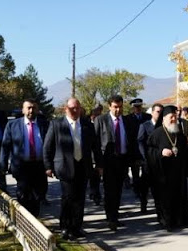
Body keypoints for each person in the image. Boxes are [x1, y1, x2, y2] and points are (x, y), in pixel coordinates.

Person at [43, 98, 97, 240]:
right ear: (65, 109)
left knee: (80, 198)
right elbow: (48, 147)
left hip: (83, 166)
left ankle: (77, 227)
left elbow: (95, 146)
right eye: (72, 108)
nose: (75, 110)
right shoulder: (56, 124)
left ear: (80, 109)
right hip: (65, 167)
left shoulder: (87, 125)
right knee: (68, 197)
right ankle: (65, 227)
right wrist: (48, 166)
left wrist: (99, 164)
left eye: (77, 108)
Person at [94, 95, 139, 231]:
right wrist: (98, 164)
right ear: (109, 106)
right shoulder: (101, 120)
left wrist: (133, 159)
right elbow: (95, 143)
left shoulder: (127, 120)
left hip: (123, 160)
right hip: (108, 161)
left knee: (119, 190)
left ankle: (115, 216)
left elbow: (132, 140)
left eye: (120, 107)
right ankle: (110, 218)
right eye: (115, 107)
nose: (118, 110)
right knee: (109, 190)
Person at [146, 105, 188, 231]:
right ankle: (166, 221)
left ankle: (180, 220)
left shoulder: (180, 135)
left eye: (175, 117)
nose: (174, 119)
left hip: (178, 172)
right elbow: (149, 151)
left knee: (180, 195)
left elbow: (187, 154)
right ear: (163, 119)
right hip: (163, 173)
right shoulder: (156, 134)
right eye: (171, 117)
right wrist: (161, 152)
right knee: (165, 198)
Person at [0, 99, 48, 216]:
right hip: (21, 167)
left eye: (34, 108)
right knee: (23, 195)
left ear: (37, 109)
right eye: (28, 108)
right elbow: (5, 146)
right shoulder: (13, 125)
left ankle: (34, 221)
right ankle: (24, 221)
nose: (31, 110)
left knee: (38, 196)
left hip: (39, 166)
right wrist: (3, 165)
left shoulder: (45, 124)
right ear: (23, 110)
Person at [137, 103, 163, 213]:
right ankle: (143, 203)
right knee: (145, 185)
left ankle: (159, 206)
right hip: (148, 160)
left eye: (161, 112)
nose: (159, 114)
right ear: (152, 113)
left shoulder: (163, 126)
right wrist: (145, 157)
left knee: (158, 186)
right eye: (157, 112)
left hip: (160, 160)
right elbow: (140, 142)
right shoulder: (145, 125)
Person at [128, 98, 151, 194]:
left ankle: (145, 188)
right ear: (132, 108)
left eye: (139, 106)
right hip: (134, 150)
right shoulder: (128, 118)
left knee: (146, 171)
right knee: (135, 172)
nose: (137, 109)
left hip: (146, 149)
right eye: (135, 107)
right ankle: (137, 190)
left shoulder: (148, 117)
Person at [88, 104, 103, 205]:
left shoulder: (102, 121)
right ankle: (94, 193)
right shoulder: (87, 122)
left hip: (100, 153)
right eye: (96, 110)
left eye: (99, 110)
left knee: (96, 177)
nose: (97, 112)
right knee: (93, 176)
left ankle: (95, 194)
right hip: (90, 155)